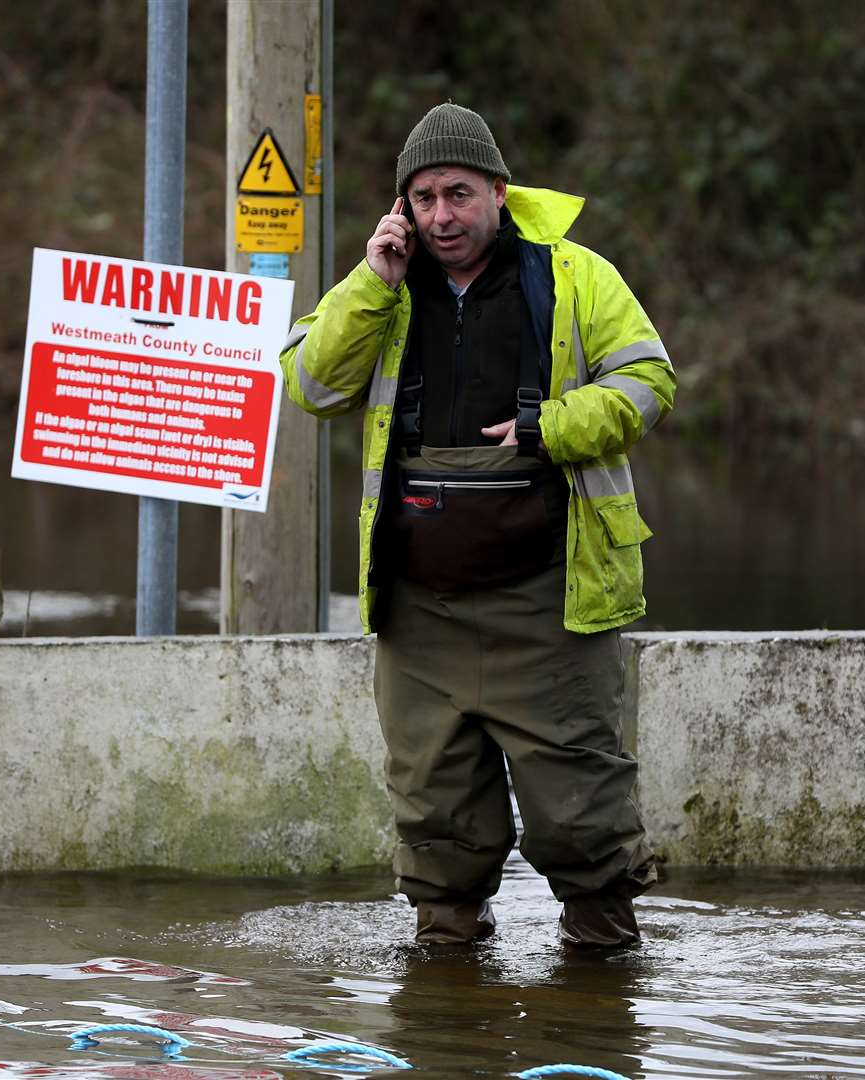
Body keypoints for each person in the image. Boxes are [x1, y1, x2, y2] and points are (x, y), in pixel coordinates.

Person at [279, 102, 674, 948]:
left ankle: (601, 991)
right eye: (421, 198)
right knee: (437, 831)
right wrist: (370, 283)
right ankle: (449, 1009)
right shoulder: (383, 284)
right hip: (420, 612)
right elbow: (311, 386)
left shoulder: (574, 276)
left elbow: (649, 378)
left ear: (499, 190)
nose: (441, 216)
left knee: (584, 824)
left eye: (458, 193)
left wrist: (552, 426)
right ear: (401, 209)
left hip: (550, 602)